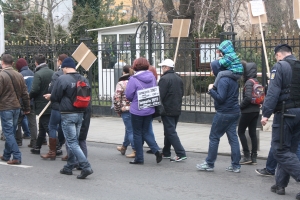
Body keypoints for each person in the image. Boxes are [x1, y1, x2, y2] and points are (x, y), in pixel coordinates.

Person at [260, 44, 300, 199]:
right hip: (298, 114)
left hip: (285, 114)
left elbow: (273, 91)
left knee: (280, 150)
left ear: (278, 55)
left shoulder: (280, 66)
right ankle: (280, 184)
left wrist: (265, 114)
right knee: (289, 150)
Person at [51, 57, 93, 179]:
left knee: (72, 142)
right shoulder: (83, 78)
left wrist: (52, 97)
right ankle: (69, 166)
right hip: (81, 113)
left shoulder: (62, 79)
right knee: (73, 140)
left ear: (64, 67)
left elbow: (55, 96)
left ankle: (86, 166)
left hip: (68, 114)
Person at [197, 60, 241, 172]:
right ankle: (236, 165)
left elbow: (221, 98)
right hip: (234, 112)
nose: (212, 71)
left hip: (224, 113)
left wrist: (211, 90)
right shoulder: (233, 79)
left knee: (214, 137)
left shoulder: (222, 80)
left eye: (212, 68)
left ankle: (209, 163)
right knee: (233, 138)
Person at [125, 57, 162, 165]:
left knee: (137, 133)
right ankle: (156, 150)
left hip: (137, 110)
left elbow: (129, 95)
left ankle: (139, 158)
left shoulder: (133, 79)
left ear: (135, 66)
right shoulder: (152, 77)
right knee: (146, 132)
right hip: (150, 109)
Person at [0, 54, 30, 165]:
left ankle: (17, 156)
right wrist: (27, 108)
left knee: (8, 132)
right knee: (11, 131)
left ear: (2, 62)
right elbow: (25, 93)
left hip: (5, 107)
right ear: (12, 63)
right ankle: (7, 155)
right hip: (17, 107)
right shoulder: (19, 75)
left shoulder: (1, 75)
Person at [157, 59, 187, 162]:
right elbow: (181, 93)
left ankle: (181, 153)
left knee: (170, 132)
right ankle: (166, 152)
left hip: (167, 109)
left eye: (163, 67)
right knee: (169, 131)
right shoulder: (178, 78)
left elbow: (160, 95)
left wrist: (159, 109)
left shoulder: (164, 79)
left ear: (166, 67)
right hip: (176, 108)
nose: (162, 69)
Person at [41, 54, 68, 160]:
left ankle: (52, 151)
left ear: (60, 61)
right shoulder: (75, 75)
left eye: (57, 60)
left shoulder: (57, 75)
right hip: (68, 107)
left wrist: (51, 96)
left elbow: (53, 90)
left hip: (57, 106)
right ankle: (60, 146)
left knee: (52, 126)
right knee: (64, 128)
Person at [29, 54, 54, 154]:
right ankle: (37, 147)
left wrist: (29, 97)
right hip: (50, 102)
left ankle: (56, 147)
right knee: (42, 126)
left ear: (36, 62)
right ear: (45, 61)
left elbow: (35, 90)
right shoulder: (52, 72)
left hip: (41, 103)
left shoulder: (38, 74)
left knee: (46, 126)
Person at [238, 61, 260, 164]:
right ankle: (254, 157)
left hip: (247, 111)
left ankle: (246, 155)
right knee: (252, 133)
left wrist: (240, 106)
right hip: (256, 110)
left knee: (240, 131)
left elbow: (247, 98)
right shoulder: (256, 81)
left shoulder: (248, 82)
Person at [14, 58, 37, 148]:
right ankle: (34, 142)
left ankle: (18, 141)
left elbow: (19, 90)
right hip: (32, 101)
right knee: (33, 123)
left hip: (22, 102)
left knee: (18, 122)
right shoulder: (32, 73)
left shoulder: (20, 75)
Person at [114, 65, 135, 158]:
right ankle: (124, 147)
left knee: (130, 130)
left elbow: (117, 98)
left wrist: (118, 109)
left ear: (123, 72)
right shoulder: (134, 81)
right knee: (129, 128)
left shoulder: (121, 83)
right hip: (135, 109)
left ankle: (135, 150)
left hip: (125, 109)